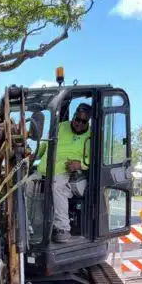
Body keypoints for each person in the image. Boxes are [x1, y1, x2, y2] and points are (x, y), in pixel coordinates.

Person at [51, 103, 91, 241]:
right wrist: (33, 155)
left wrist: (80, 164)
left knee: (57, 186)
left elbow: (97, 158)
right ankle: (30, 226)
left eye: (83, 121)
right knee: (27, 185)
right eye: (77, 119)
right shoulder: (62, 127)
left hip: (71, 173)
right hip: (49, 168)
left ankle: (63, 228)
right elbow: (47, 145)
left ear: (88, 122)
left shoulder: (92, 136)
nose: (78, 123)